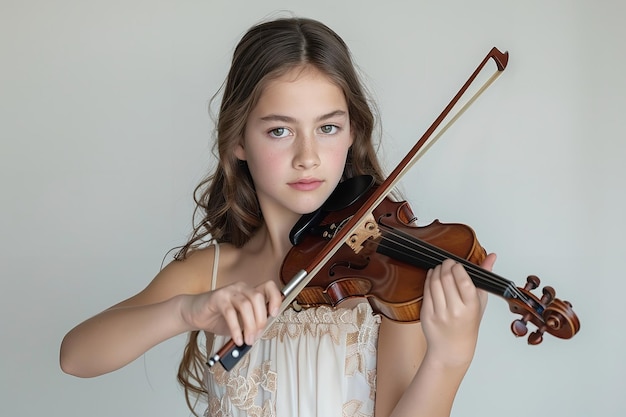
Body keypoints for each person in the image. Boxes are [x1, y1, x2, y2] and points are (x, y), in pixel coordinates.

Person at [60, 16, 496, 417]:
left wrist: (449, 359)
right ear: (238, 142)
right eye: (279, 131)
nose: (307, 158)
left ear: (351, 134)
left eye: (328, 128)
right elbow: (76, 357)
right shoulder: (211, 272)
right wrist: (185, 312)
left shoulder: (387, 285)